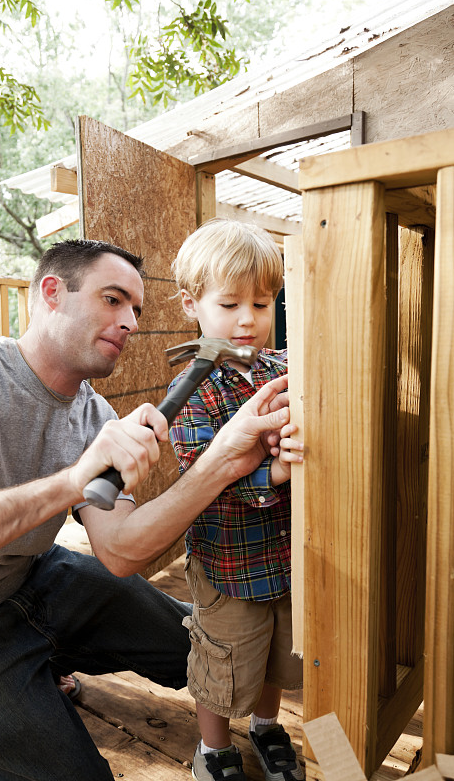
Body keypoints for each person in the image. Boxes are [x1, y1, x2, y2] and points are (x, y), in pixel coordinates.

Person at [0, 238, 294, 781]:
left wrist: (223, 460)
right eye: (113, 299)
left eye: (137, 310)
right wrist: (74, 481)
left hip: (31, 579)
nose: (131, 322)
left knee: (199, 651)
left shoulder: (97, 416)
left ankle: (39, 661)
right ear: (53, 293)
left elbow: (121, 553)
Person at [168, 219, 304, 781]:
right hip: (228, 565)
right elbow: (203, 477)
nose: (248, 319)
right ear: (191, 305)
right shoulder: (192, 390)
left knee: (277, 653)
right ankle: (215, 748)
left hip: (289, 557)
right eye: (229, 304)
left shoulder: (287, 370)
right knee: (220, 665)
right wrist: (274, 469)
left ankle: (267, 727)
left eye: (262, 302)